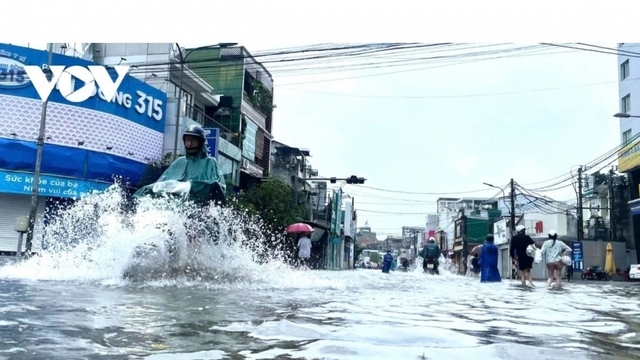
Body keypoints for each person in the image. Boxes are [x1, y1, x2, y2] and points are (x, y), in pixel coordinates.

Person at [134, 124, 227, 206]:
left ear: (200, 142)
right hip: (175, 208)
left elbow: (220, 187)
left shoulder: (210, 162)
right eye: (187, 140)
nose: (189, 144)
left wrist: (193, 186)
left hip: (199, 208)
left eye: (193, 140)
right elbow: (160, 183)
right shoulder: (179, 162)